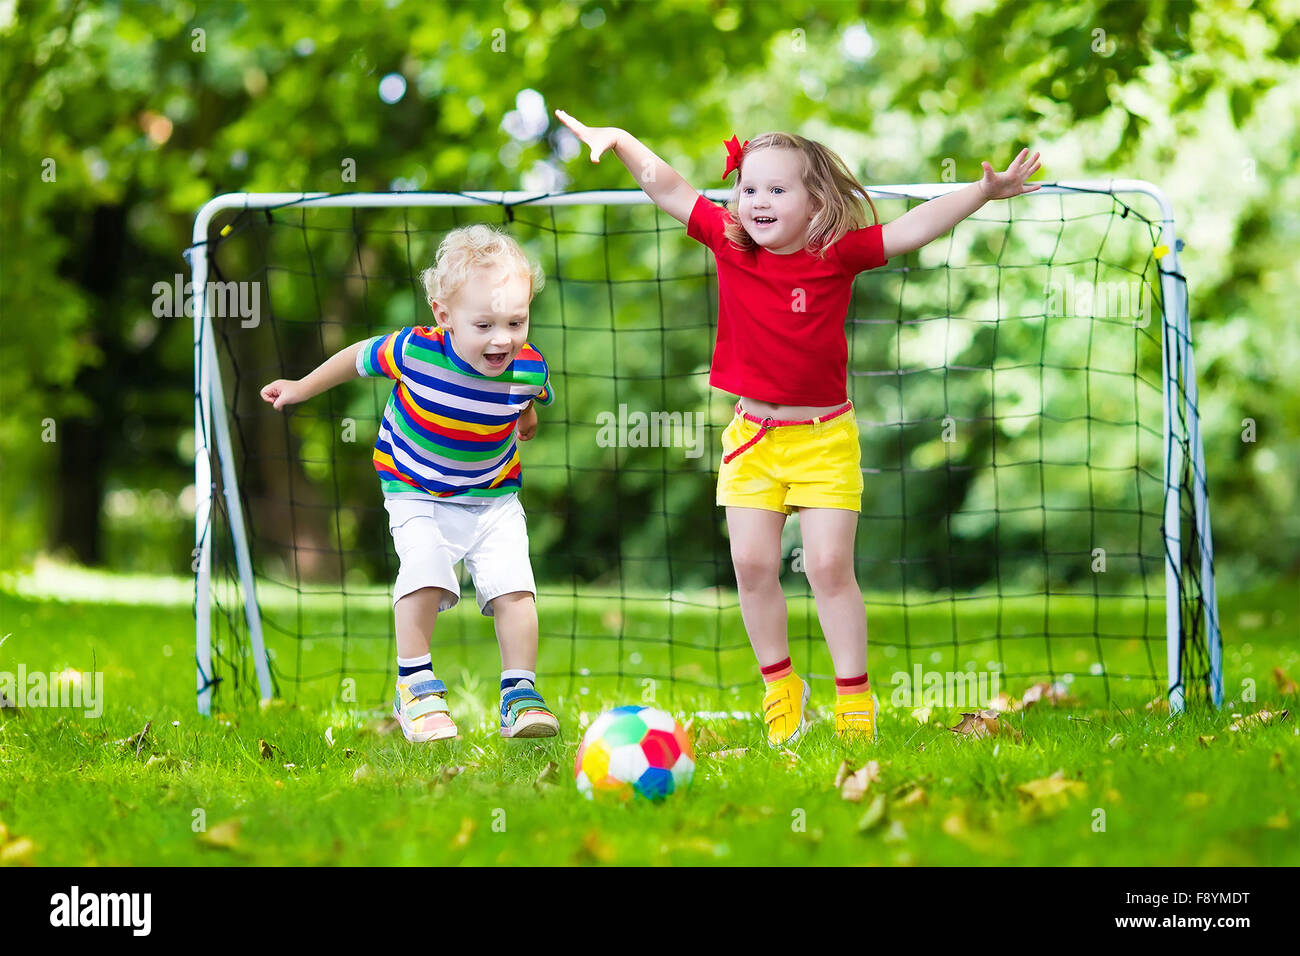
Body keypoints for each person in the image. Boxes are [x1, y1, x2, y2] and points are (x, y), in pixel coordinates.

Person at [555, 108, 1040, 746]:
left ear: (815, 204)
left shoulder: (835, 255)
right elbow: (667, 185)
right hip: (753, 439)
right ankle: (781, 687)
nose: (757, 200)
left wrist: (982, 190)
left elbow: (911, 229)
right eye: (749, 188)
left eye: (776, 189)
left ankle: (853, 699)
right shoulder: (729, 242)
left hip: (824, 439)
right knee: (752, 565)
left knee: (828, 566)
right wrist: (618, 137)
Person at [260, 224, 561, 743]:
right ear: (445, 317)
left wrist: (526, 418)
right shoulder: (414, 352)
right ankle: (416, 688)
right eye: (485, 324)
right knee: (425, 572)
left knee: (516, 587)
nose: (503, 338)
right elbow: (353, 359)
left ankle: (519, 693)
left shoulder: (528, 366)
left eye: (516, 321)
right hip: (415, 489)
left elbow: (525, 398)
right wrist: (299, 388)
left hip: (492, 497)